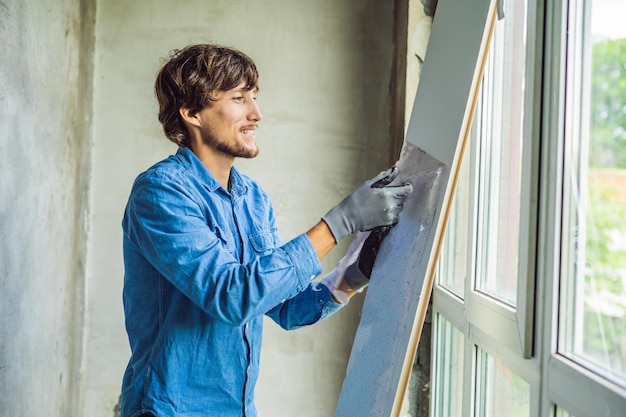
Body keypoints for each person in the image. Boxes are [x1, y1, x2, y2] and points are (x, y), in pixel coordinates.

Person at [120, 43, 413, 417]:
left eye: (254, 97)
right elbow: (232, 297)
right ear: (192, 112)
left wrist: (353, 273)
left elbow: (286, 307)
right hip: (170, 410)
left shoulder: (252, 198)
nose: (256, 114)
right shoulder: (160, 193)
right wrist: (339, 222)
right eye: (238, 98)